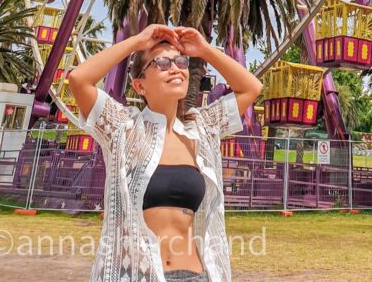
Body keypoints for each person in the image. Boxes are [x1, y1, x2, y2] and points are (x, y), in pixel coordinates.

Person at [69, 22, 263, 282]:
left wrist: (205, 50)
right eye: (161, 63)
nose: (175, 68)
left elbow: (251, 87)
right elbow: (79, 79)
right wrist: (138, 41)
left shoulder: (201, 130)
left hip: (197, 275)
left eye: (181, 62)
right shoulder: (123, 129)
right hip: (141, 275)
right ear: (139, 86)